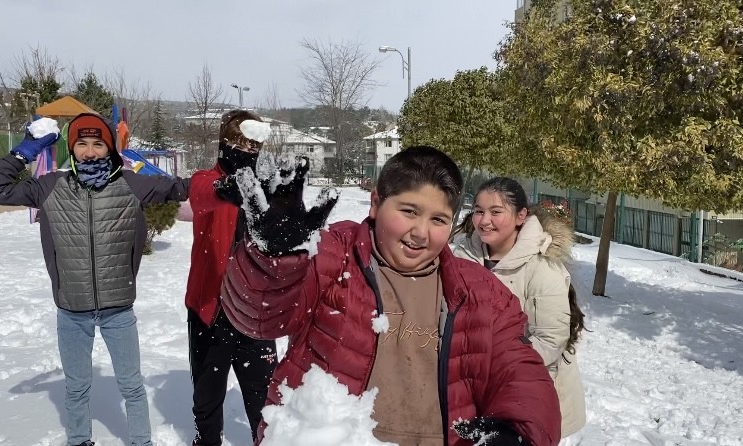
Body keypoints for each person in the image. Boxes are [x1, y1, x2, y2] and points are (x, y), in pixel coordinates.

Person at [222, 146, 562, 446]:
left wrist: (518, 429)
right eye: (409, 211)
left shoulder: (480, 291)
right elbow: (260, 317)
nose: (421, 232)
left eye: (438, 219)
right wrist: (278, 258)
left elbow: (519, 369)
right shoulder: (334, 257)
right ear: (375, 203)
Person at [0, 113, 190, 446]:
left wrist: (229, 178)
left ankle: (142, 442)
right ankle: (79, 440)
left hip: (118, 310)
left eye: (98, 144)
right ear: (72, 148)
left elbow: (182, 188)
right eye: (82, 144)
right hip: (72, 310)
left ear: (109, 148)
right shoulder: (51, 186)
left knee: (132, 386)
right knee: (76, 388)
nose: (90, 152)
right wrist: (25, 151)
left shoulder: (130, 184)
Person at [451, 177, 587, 440]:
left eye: (496, 212)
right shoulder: (462, 257)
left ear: (520, 216)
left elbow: (549, 341)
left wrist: (485, 362)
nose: (484, 220)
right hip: (475, 391)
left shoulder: (542, 268)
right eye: (479, 211)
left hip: (531, 399)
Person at [184, 110, 278, 445]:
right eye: (239, 142)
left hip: (256, 314)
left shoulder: (265, 192)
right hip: (211, 312)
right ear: (224, 143)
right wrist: (227, 188)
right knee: (207, 398)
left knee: (267, 400)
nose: (246, 151)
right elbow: (200, 195)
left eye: (253, 145)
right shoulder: (205, 179)